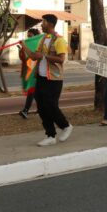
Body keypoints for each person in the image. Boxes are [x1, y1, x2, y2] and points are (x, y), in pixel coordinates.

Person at [21, 14, 73, 145]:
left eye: (43, 22)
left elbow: (61, 59)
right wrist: (24, 46)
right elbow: (34, 56)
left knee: (51, 106)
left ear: (50, 24)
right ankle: (50, 136)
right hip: (41, 78)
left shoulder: (59, 40)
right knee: (42, 108)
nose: (41, 24)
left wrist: (44, 56)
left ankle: (66, 126)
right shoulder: (43, 39)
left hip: (54, 80)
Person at [18, 28, 41, 119]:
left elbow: (33, 57)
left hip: (34, 71)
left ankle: (26, 110)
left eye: (30, 36)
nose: (28, 38)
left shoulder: (38, 46)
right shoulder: (26, 46)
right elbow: (23, 59)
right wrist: (21, 50)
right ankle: (40, 109)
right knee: (34, 92)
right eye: (27, 36)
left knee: (32, 91)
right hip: (28, 70)